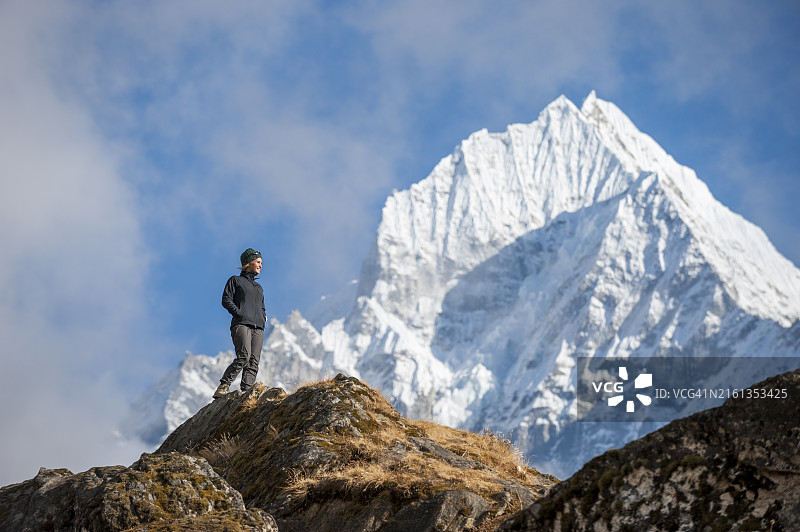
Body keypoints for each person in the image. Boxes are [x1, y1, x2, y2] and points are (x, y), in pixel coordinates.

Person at [213, 248, 267, 398]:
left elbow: (262, 306)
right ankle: (224, 385)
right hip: (241, 324)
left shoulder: (259, 288)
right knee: (244, 356)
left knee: (254, 361)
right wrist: (239, 312)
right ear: (248, 263)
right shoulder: (235, 281)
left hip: (258, 327)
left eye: (261, 262)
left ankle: (246, 393)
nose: (261, 265)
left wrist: (264, 316)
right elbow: (226, 299)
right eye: (258, 262)